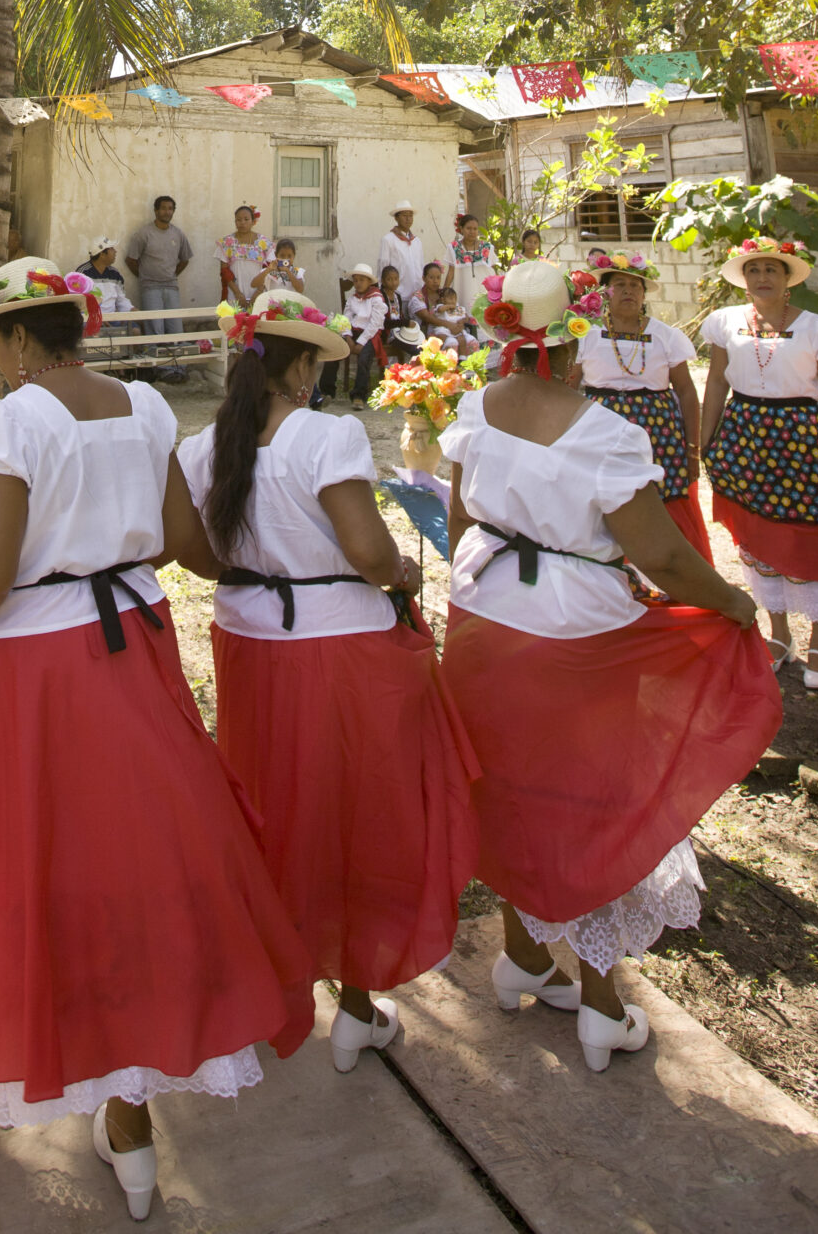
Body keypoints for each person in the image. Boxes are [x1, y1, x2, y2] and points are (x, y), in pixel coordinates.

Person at [0, 259, 311, 1220]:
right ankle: (128, 1130)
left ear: (11, 341)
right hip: (131, 651)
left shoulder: (9, 417)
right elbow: (178, 537)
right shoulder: (140, 406)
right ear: (76, 326)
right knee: (131, 870)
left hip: (29, 674)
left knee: (19, 867)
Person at [439, 259, 781, 1074]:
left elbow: (456, 517)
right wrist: (730, 602)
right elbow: (659, 551)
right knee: (589, 798)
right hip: (574, 634)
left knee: (506, 784)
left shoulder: (474, 408)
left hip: (482, 616)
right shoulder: (605, 434)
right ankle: (598, 1000)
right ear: (574, 338)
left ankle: (523, 956)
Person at [175, 292, 478, 1073]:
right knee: (357, 813)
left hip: (248, 638)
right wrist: (402, 571)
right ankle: (353, 1000)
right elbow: (368, 550)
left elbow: (194, 553)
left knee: (274, 807)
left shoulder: (205, 445)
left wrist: (252, 569)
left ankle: (280, 975)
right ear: (302, 364)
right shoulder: (325, 434)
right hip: (340, 644)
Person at [698, 236, 818, 691]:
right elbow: (718, 383)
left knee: (812, 537)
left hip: (800, 439)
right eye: (754, 271)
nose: (762, 278)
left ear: (787, 282)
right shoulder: (724, 323)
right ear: (744, 282)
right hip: (744, 436)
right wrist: (703, 444)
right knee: (757, 534)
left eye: (772, 271)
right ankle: (779, 635)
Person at [573, 252, 712, 559]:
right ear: (604, 292)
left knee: (661, 503)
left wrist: (692, 449)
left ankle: (672, 579)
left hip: (658, 434)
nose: (628, 292)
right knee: (605, 502)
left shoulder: (666, 336)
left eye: (635, 286)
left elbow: (687, 393)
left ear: (644, 293)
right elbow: (569, 388)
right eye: (619, 285)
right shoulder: (587, 334)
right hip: (601, 432)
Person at [124, 195, 193, 382]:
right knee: (155, 328)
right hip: (150, 287)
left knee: (175, 329)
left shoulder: (178, 234)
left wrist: (170, 275)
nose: (167, 212)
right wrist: (146, 276)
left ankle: (177, 369)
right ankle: (159, 370)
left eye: (170, 208)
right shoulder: (144, 233)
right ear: (156, 211)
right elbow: (130, 260)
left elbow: (185, 259)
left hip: (171, 286)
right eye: (163, 208)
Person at [340, 266, 388, 406]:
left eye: (362, 280)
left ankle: (359, 395)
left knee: (364, 358)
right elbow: (345, 319)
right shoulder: (352, 299)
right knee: (334, 348)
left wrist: (361, 342)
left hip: (369, 334)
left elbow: (375, 323)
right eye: (355, 280)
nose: (358, 283)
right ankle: (327, 390)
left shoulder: (377, 299)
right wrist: (348, 338)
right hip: (352, 332)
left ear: (369, 282)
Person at [216, 205, 271, 309]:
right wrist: (237, 294)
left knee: (257, 323)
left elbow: (269, 270)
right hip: (234, 294)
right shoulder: (226, 242)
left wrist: (258, 292)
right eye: (238, 220)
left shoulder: (263, 243)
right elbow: (224, 271)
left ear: (253, 221)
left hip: (258, 294)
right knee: (234, 323)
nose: (242, 222)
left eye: (246, 219)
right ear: (235, 221)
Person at [376, 204, 425, 316]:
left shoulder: (417, 241)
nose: (408, 219)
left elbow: (421, 265)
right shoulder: (388, 240)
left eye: (410, 216)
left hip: (416, 295)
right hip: (398, 294)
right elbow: (383, 266)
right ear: (396, 218)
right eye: (404, 215)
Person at [76, 237, 134, 315]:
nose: (115, 251)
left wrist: (133, 311)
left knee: (135, 327)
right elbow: (79, 303)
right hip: (90, 319)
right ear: (102, 254)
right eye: (112, 249)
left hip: (113, 319)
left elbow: (121, 301)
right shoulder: (82, 273)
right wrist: (97, 317)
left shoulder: (115, 273)